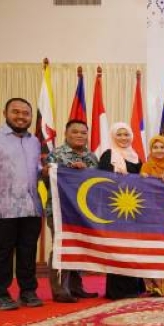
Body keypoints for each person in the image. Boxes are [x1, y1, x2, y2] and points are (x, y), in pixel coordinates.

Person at [0, 98, 46, 310]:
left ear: (31, 117)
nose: (21, 116)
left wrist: (45, 171)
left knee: (28, 251)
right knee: (2, 251)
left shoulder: (34, 141)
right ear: (5, 112)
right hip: (2, 207)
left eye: (26, 113)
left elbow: (36, 168)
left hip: (32, 207)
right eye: (16, 112)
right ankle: (1, 294)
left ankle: (28, 291)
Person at [43, 119, 99, 303]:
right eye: (75, 132)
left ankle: (76, 287)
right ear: (66, 134)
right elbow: (46, 176)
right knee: (62, 248)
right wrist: (68, 170)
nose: (79, 135)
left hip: (82, 212)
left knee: (78, 247)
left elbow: (97, 183)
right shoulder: (56, 154)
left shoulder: (92, 157)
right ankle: (60, 290)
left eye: (83, 132)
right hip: (59, 211)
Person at [97, 122, 145, 300]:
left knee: (132, 248)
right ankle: (117, 291)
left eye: (126, 135)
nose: (123, 138)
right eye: (119, 135)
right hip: (115, 209)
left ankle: (135, 287)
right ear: (112, 136)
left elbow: (143, 180)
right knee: (117, 249)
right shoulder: (108, 155)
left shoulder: (136, 157)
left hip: (134, 210)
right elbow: (101, 181)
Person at [140, 135, 164, 297]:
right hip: (151, 214)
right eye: (155, 147)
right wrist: (144, 180)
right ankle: (152, 286)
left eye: (162, 147)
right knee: (151, 249)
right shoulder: (147, 166)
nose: (159, 150)